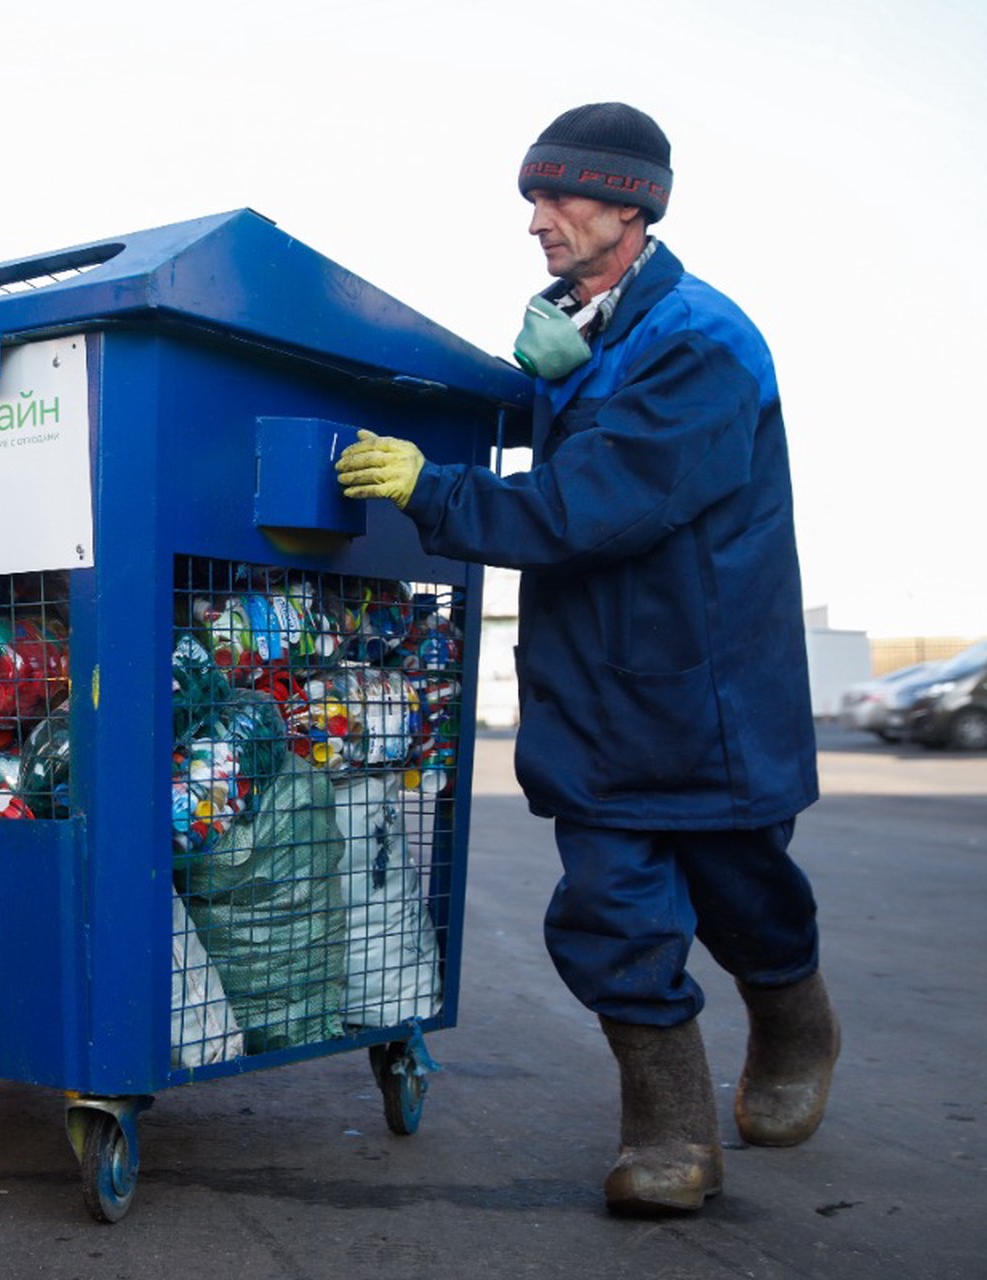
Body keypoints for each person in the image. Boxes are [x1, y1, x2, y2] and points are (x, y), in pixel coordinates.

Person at [335, 103, 839, 1216]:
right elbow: (567, 449)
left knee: (743, 891)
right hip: (598, 695)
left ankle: (796, 1019)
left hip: (704, 692)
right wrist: (532, 384)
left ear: (633, 205)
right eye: (531, 197)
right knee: (611, 912)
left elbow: (586, 506)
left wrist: (432, 487)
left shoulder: (703, 344)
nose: (536, 221)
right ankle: (670, 1130)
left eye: (557, 197)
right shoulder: (590, 329)